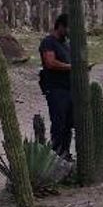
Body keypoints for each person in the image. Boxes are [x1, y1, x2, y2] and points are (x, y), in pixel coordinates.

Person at [39, 13, 73, 157]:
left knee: (68, 124)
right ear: (60, 26)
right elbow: (50, 62)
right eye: (68, 28)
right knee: (58, 124)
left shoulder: (66, 44)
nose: (70, 32)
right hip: (56, 89)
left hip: (69, 89)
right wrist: (71, 67)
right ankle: (57, 155)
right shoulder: (49, 42)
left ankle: (66, 153)